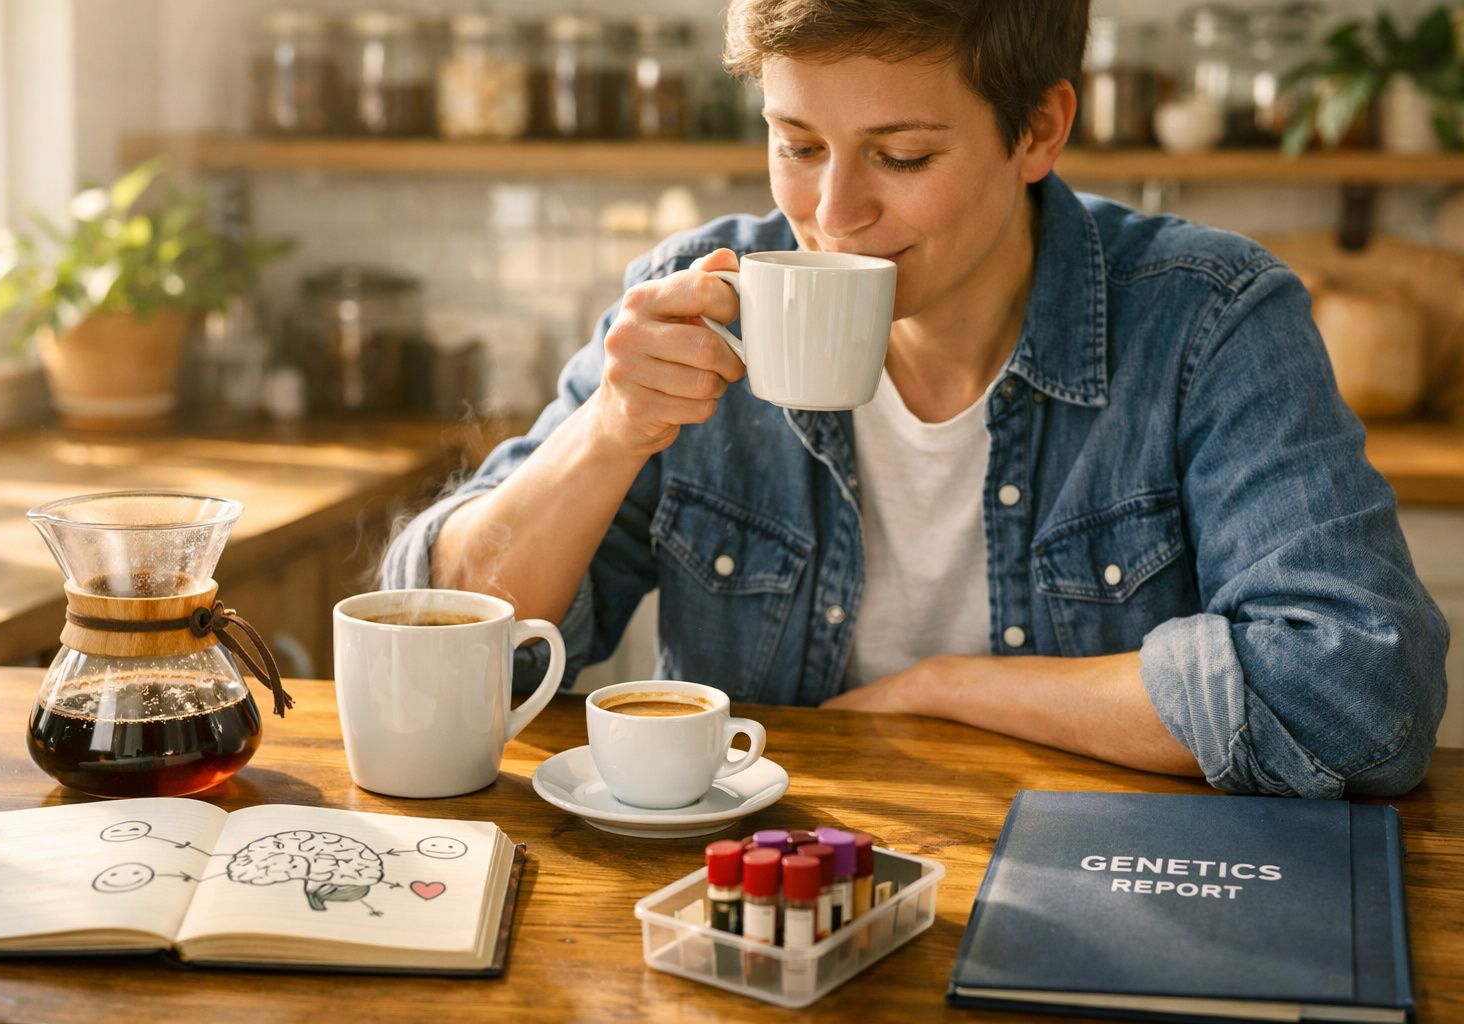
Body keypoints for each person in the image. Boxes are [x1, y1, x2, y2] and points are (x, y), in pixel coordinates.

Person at [384, 0, 1448, 798]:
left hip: (1095, 888)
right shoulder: (698, 296)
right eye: (797, 145)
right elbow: (437, 644)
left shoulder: (1206, 320)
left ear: (1039, 130)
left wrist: (948, 689)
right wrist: (608, 435)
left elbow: (1360, 692)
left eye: (900, 155)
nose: (833, 211)